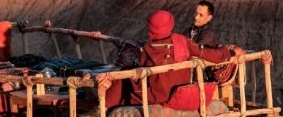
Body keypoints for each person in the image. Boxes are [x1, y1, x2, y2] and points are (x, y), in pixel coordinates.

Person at [104, 10, 242, 108]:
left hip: (154, 95)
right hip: (177, 92)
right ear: (170, 24)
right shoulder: (182, 41)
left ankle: (103, 106)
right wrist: (231, 52)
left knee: (123, 78)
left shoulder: (146, 48)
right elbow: (212, 55)